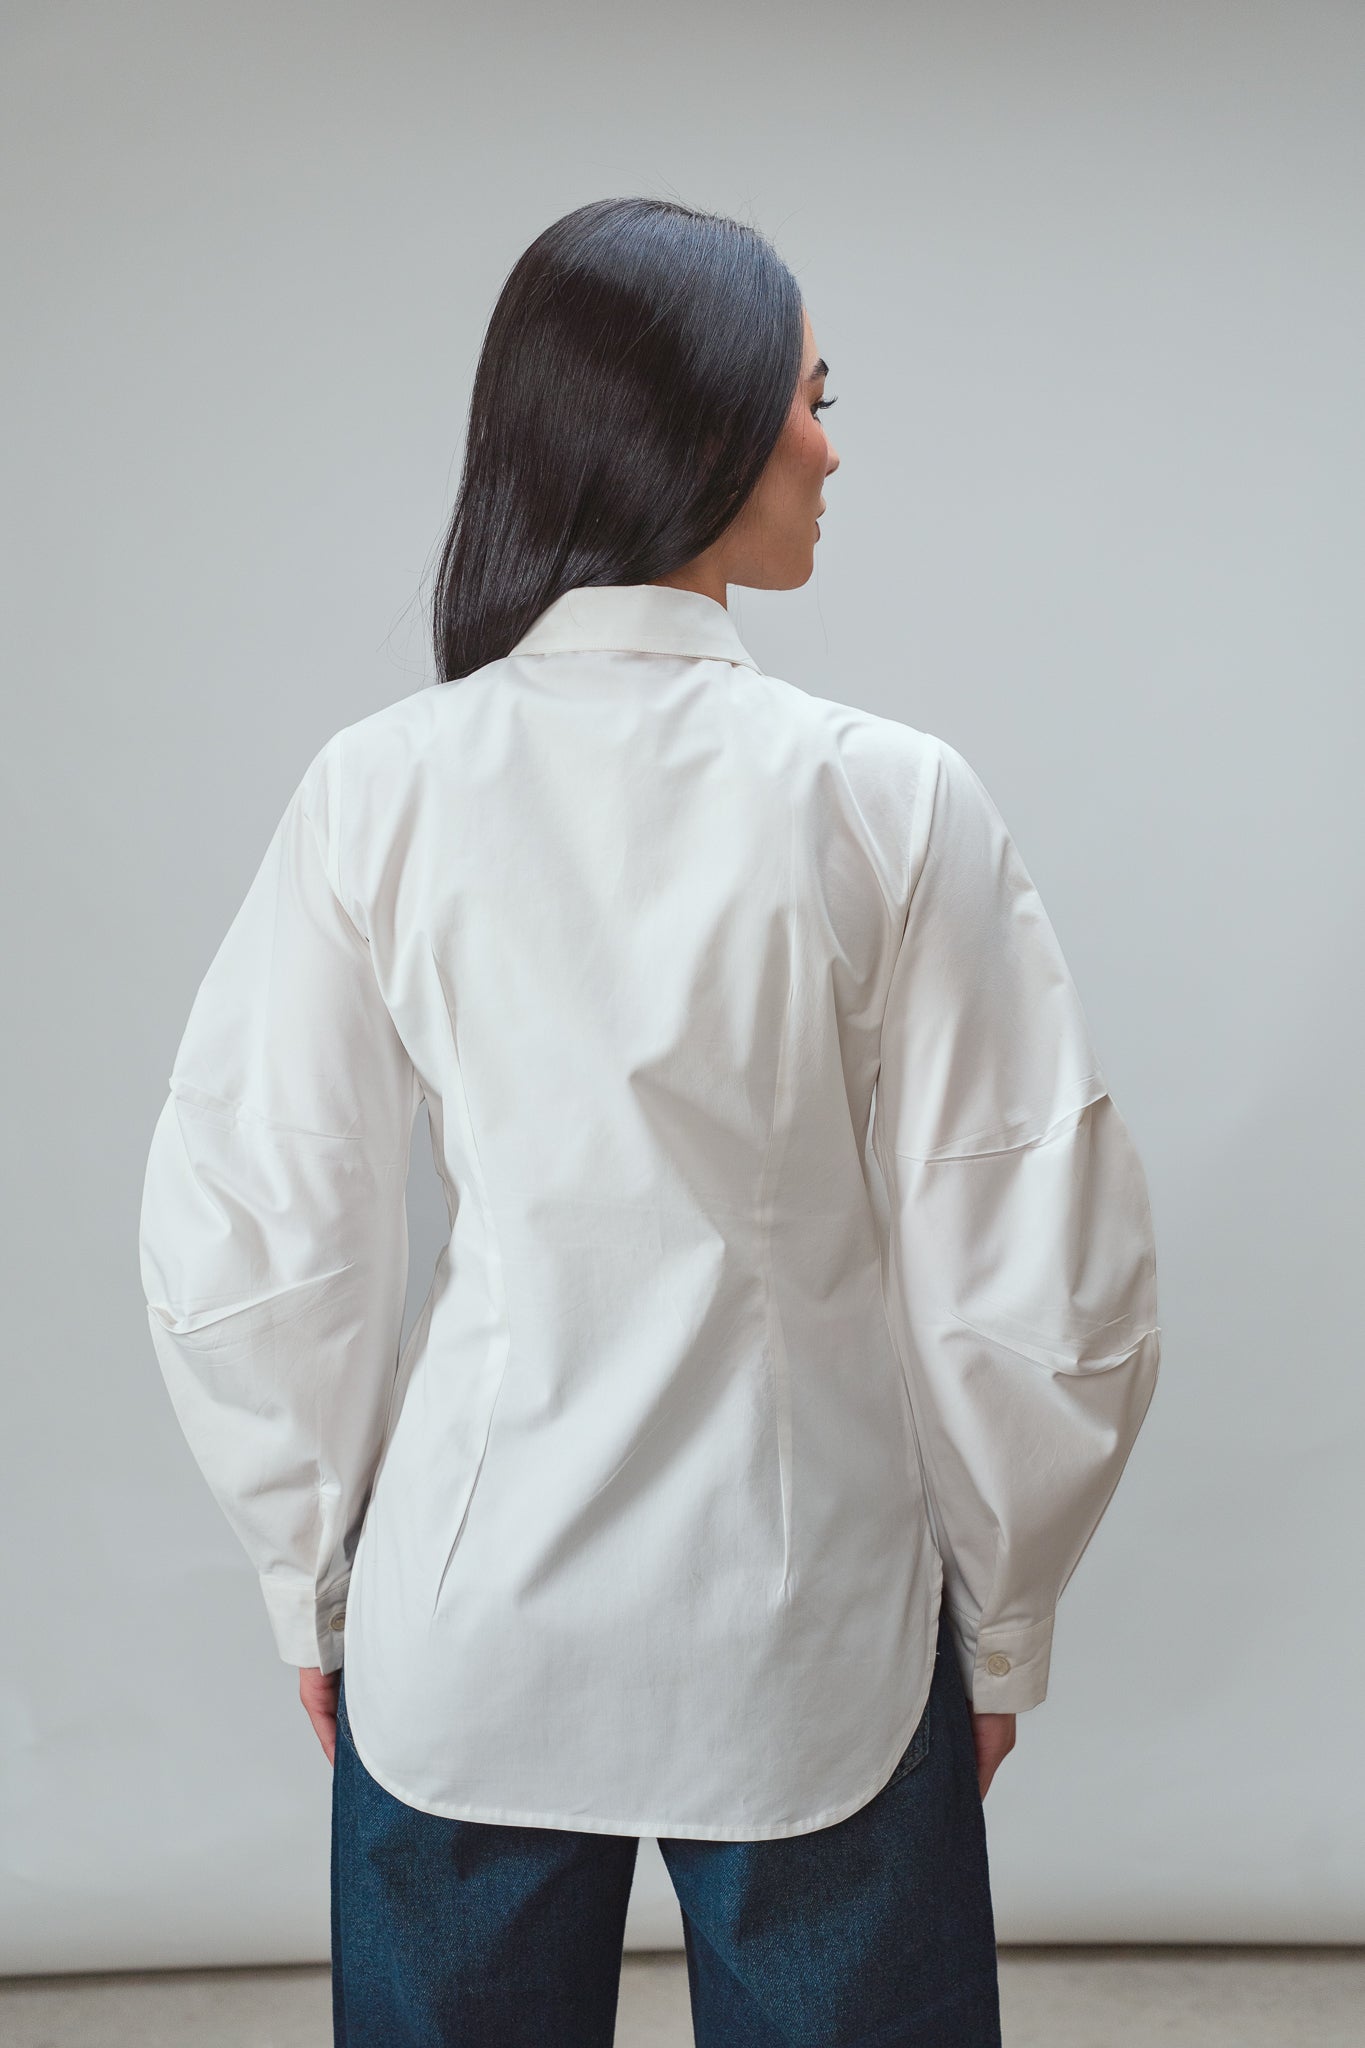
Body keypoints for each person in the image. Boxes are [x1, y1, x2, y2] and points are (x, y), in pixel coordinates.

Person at [138, 196, 1162, 2048]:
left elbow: (259, 1217)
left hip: (466, 1619)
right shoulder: (883, 798)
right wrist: (1002, 1615)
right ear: (691, 424)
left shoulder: (381, 788)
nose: (832, 449)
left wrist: (313, 1576)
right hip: (811, 1629)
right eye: (811, 401)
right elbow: (1025, 1246)